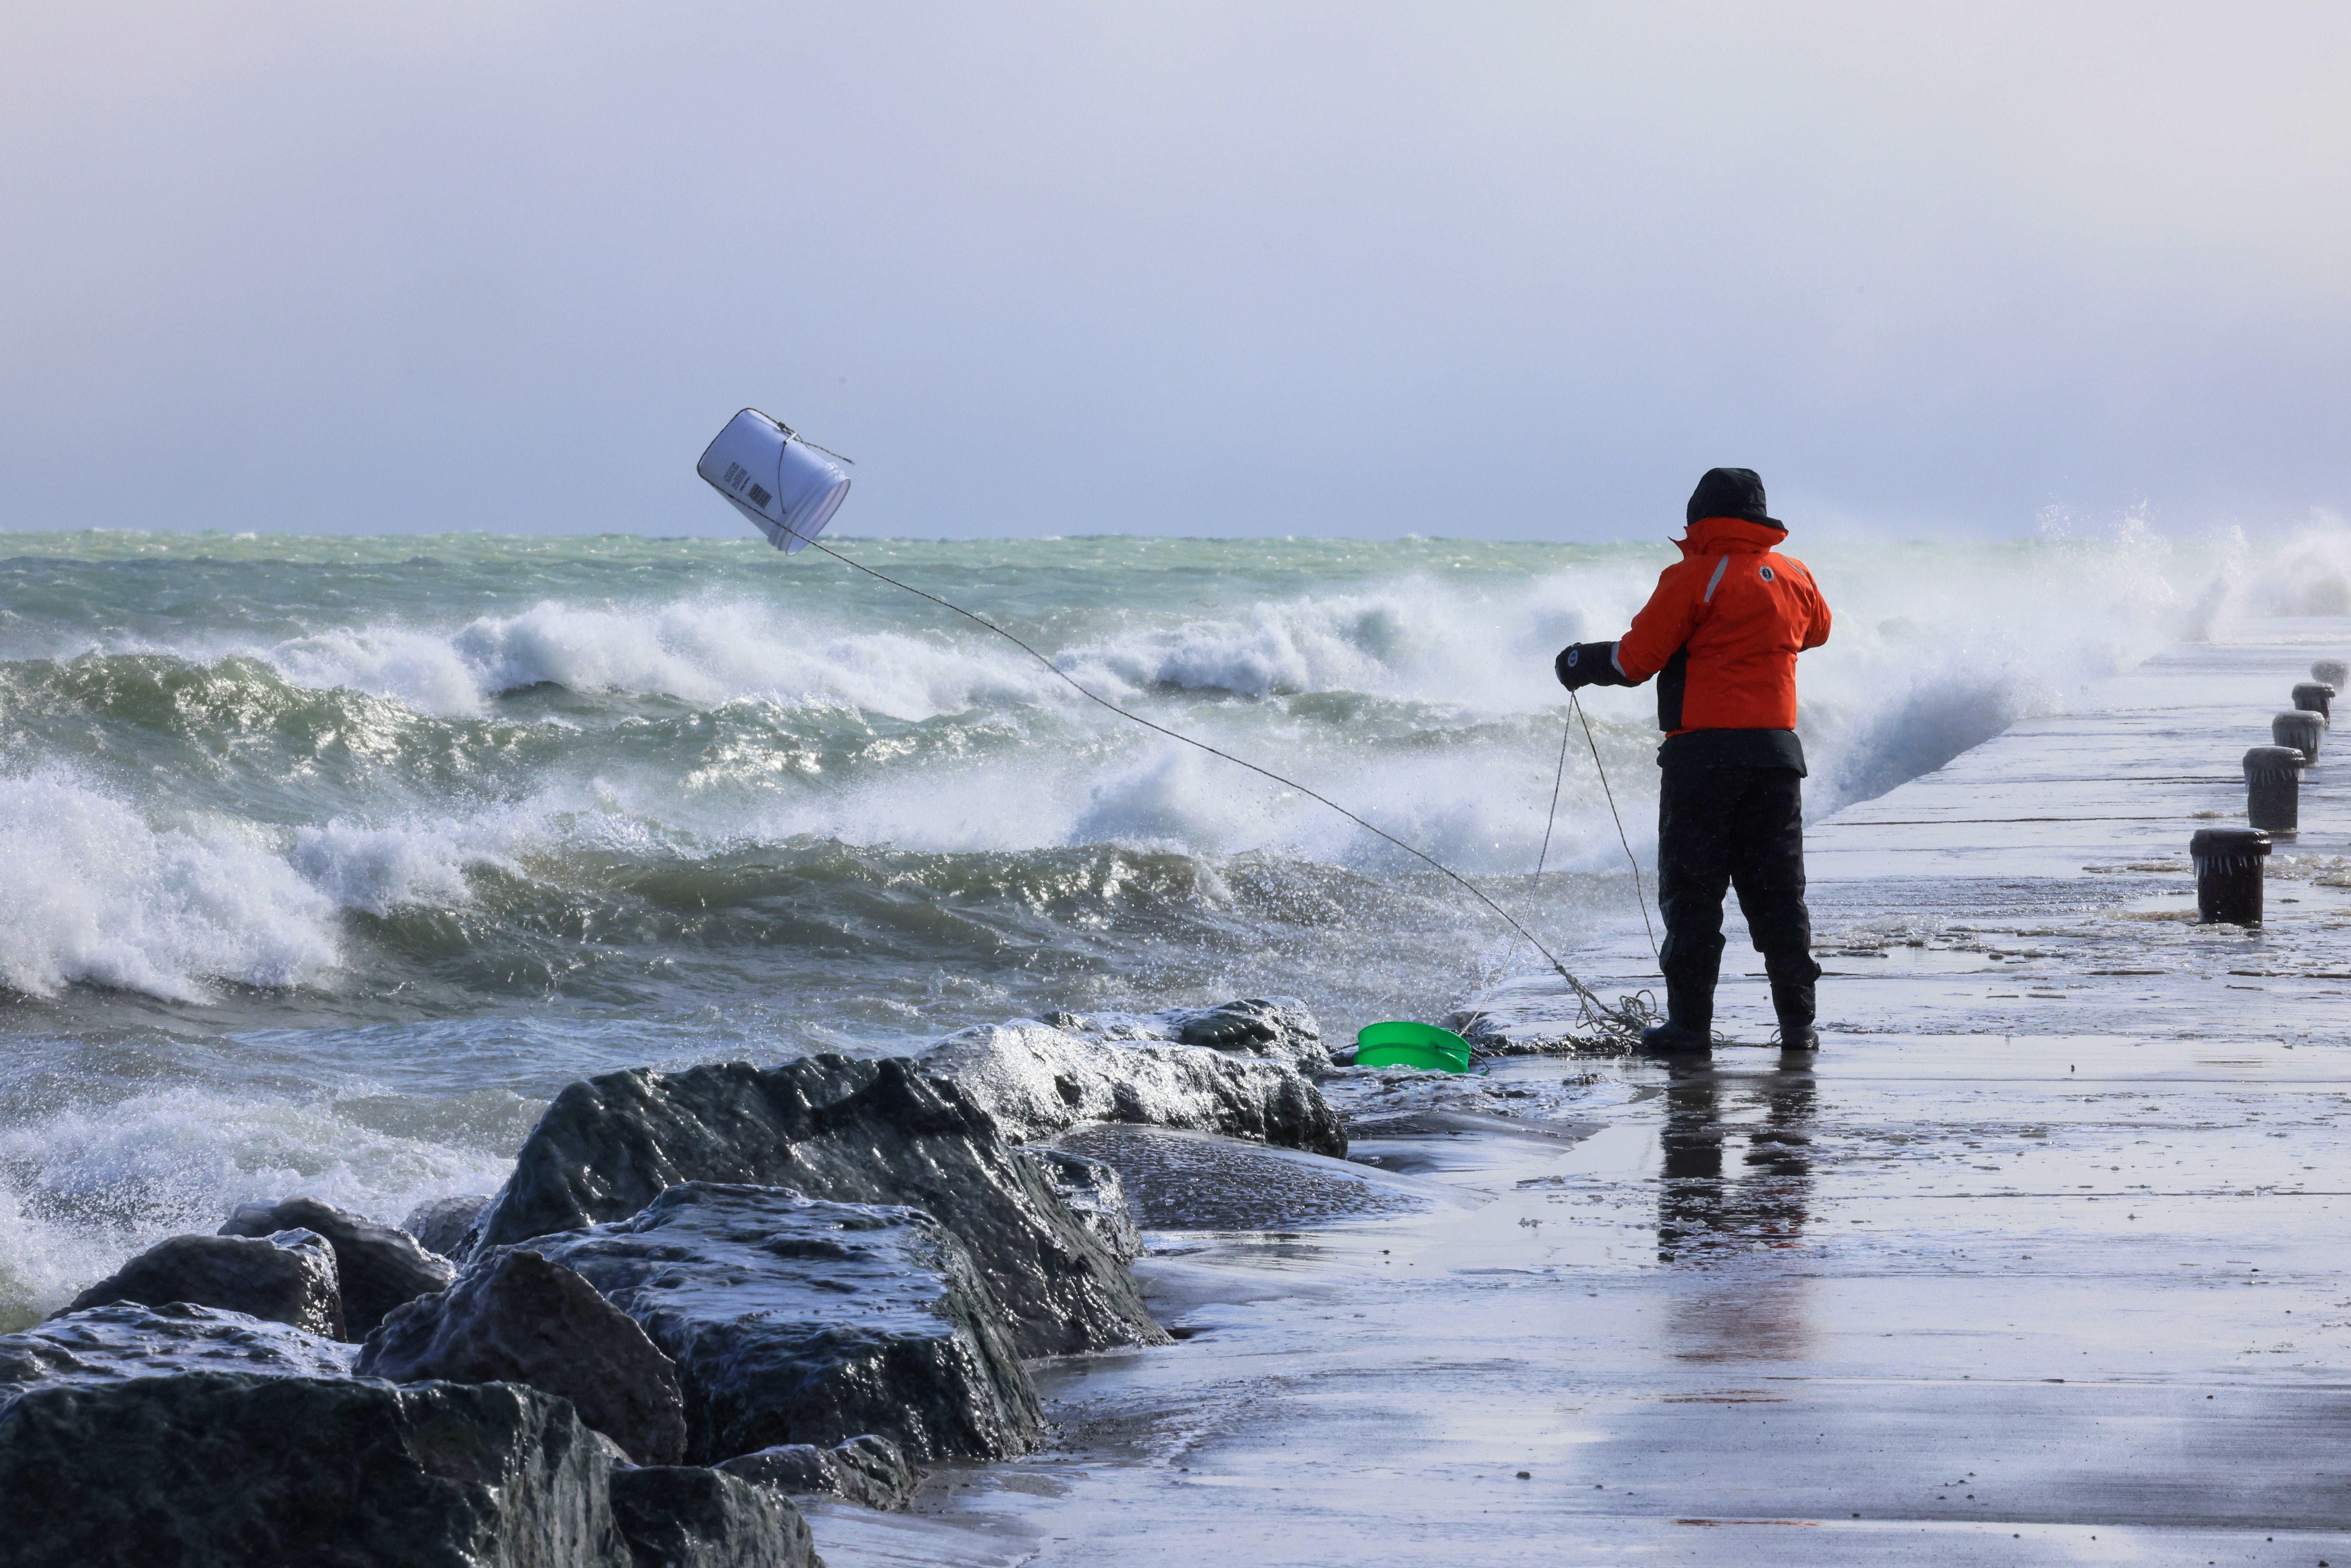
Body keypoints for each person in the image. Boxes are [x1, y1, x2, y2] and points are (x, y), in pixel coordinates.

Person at [1552, 467, 1832, 1053]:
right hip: (1777, 758)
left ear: (1700, 516)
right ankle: (1799, 1027)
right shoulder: (1795, 575)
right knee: (1779, 896)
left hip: (1702, 759)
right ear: (1759, 518)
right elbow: (1816, 633)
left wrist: (1578, 661)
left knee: (1693, 895)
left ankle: (1688, 1029)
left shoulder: (1692, 577)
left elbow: (1634, 661)